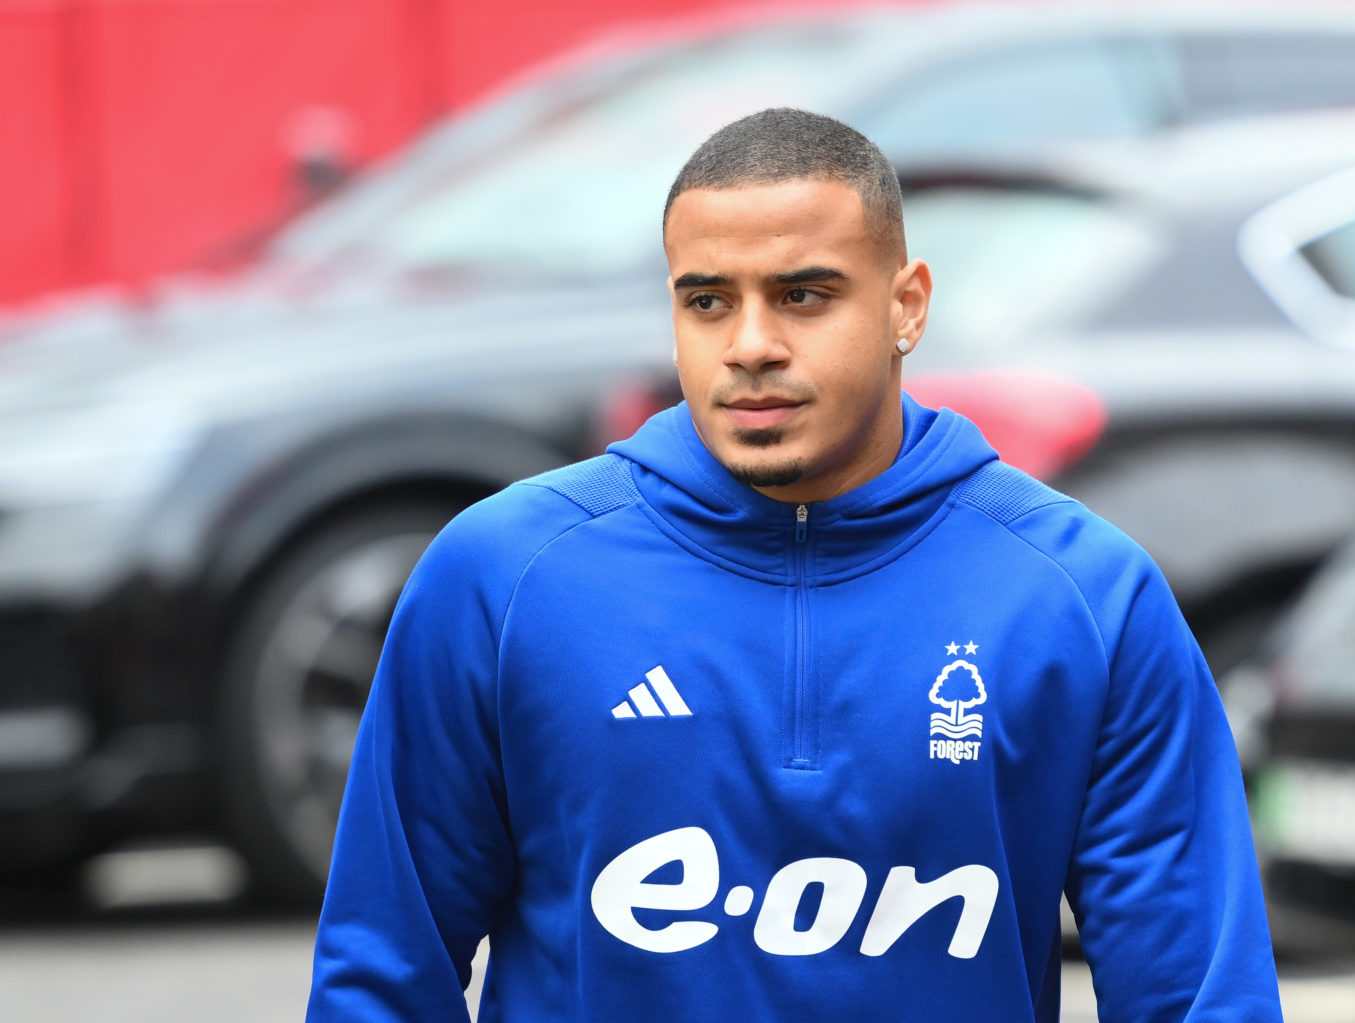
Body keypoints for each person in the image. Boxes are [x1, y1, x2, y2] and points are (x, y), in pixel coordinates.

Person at [307, 108, 1283, 1022]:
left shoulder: (1085, 597)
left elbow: (1199, 996)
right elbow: (383, 976)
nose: (751, 346)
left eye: (803, 295)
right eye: (708, 302)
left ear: (908, 306)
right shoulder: (502, 578)